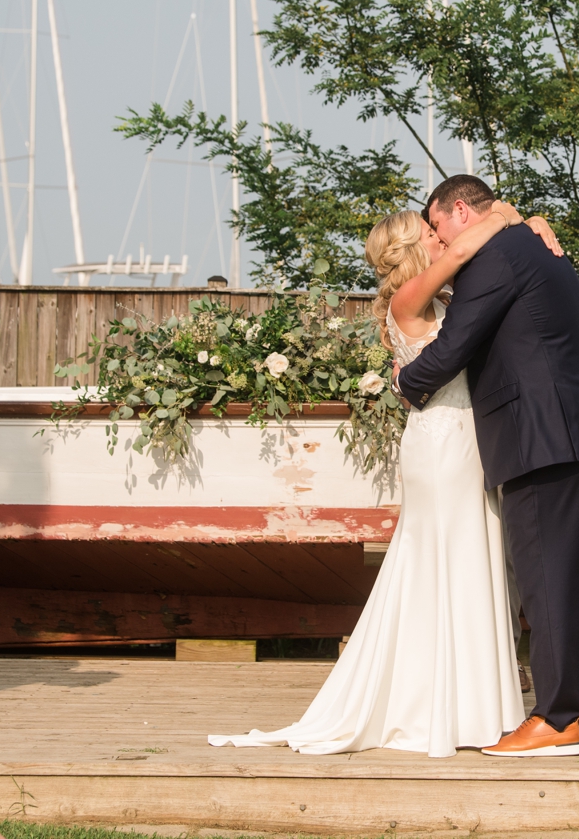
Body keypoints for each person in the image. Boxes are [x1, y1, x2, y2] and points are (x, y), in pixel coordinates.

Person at [209, 200, 561, 757]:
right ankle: (446, 705)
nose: (440, 236)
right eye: (429, 231)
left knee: (474, 562)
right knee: (452, 562)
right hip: (444, 448)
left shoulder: (436, 296)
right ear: (411, 246)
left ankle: (471, 701)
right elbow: (470, 244)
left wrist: (525, 226)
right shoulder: (411, 296)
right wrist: (515, 218)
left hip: (461, 441)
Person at [396, 174, 579, 758]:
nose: (437, 238)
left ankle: (555, 718)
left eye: (436, 225)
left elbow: (454, 346)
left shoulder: (495, 257)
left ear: (459, 211)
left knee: (548, 577)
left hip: (539, 433)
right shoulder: (536, 244)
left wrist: (407, 382)